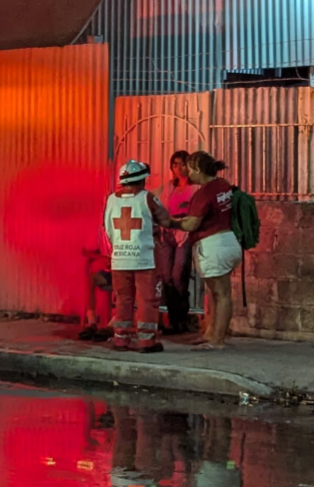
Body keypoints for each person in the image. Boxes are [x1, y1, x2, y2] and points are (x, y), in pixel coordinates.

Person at [103, 160, 175, 353]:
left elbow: (107, 229)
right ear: (142, 180)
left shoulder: (111, 199)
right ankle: (146, 342)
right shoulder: (147, 198)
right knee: (147, 299)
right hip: (145, 259)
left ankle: (121, 340)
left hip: (120, 258)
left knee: (123, 299)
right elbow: (166, 220)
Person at [174, 151, 242, 350]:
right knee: (215, 293)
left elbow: (193, 223)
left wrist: (170, 222)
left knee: (221, 294)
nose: (186, 172)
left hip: (214, 245)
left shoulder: (203, 193)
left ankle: (217, 340)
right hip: (228, 241)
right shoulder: (222, 185)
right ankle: (211, 333)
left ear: (197, 169)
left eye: (189, 167)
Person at [156, 151, 197, 333]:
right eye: (175, 165)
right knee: (167, 277)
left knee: (179, 276)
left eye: (182, 164)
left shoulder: (195, 189)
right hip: (168, 235)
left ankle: (181, 319)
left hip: (184, 235)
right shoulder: (168, 188)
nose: (178, 168)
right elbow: (161, 208)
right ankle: (172, 320)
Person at [77, 226, 113, 342]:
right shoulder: (101, 232)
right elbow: (85, 251)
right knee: (92, 279)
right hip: (109, 272)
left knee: (122, 283)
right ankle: (91, 321)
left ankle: (113, 325)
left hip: (123, 272)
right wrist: (102, 257)